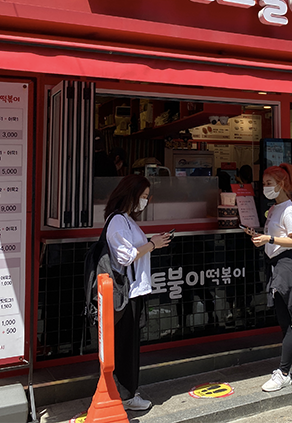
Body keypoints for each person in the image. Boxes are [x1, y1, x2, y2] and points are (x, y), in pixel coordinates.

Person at [104, 175, 173, 411]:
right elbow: (125, 256)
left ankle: (127, 392)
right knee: (125, 346)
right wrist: (153, 244)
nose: (145, 202)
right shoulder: (118, 222)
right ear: (130, 194)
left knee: (129, 344)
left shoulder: (125, 221)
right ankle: (125, 395)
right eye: (143, 196)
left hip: (134, 292)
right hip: (127, 293)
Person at [246, 163, 292, 392]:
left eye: (269, 184)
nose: (265, 188)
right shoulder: (275, 208)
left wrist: (269, 240)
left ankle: (284, 372)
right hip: (278, 265)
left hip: (287, 267)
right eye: (264, 184)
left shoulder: (289, 210)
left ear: (281, 184)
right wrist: (262, 238)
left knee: (288, 324)